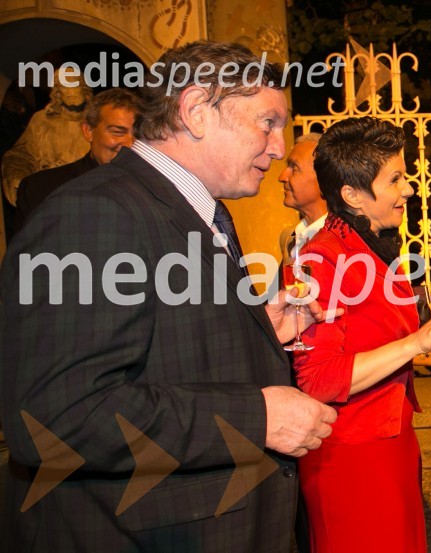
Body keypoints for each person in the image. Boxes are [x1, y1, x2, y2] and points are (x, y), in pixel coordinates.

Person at [0, 41, 337, 552]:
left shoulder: (185, 207)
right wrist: (257, 418)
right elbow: (56, 416)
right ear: (197, 110)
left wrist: (256, 326)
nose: (276, 146)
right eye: (267, 122)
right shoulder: (95, 214)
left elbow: (155, 349)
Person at [292, 116, 431, 553]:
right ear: (351, 195)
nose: (409, 189)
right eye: (396, 179)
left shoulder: (374, 245)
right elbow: (317, 379)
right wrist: (414, 343)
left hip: (391, 443)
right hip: (350, 458)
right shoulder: (322, 258)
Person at [14, 88, 140, 232]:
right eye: (117, 132)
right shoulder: (42, 189)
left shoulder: (154, 188)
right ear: (88, 131)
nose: (130, 144)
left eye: (139, 134)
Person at [2, 69, 93, 205]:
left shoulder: (97, 120)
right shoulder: (42, 120)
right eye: (63, 87)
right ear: (57, 92)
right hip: (49, 197)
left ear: (84, 88)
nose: (70, 93)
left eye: (74, 85)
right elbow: (21, 156)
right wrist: (18, 176)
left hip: (89, 196)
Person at [278, 132, 327, 267]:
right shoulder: (291, 238)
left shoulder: (346, 241)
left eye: (294, 168)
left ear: (324, 180)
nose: (282, 177)